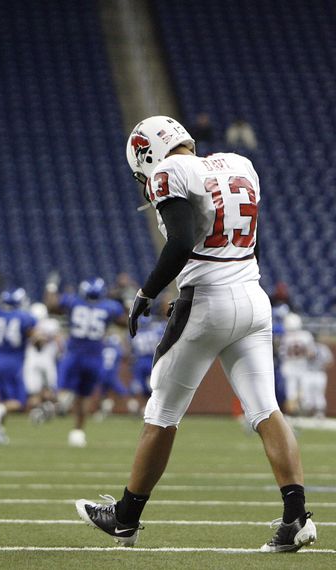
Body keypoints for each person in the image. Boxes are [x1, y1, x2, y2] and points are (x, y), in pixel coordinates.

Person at [76, 115, 316, 552]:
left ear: (148, 154)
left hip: (208, 302)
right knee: (266, 409)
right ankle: (296, 517)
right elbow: (247, 241)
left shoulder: (169, 172)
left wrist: (146, 293)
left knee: (162, 412)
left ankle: (125, 519)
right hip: (252, 295)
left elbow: (182, 240)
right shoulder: (238, 163)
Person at [57, 277, 125, 447]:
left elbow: (54, 305)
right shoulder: (109, 307)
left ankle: (61, 403)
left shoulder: (73, 302)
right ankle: (78, 431)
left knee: (64, 389)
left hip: (74, 354)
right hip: (94, 356)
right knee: (85, 395)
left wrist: (52, 288)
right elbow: (123, 321)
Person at [0, 288, 36, 444]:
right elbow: (34, 335)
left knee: (4, 400)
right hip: (14, 363)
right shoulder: (25, 317)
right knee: (19, 402)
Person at [23, 302, 63, 424]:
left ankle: (40, 412)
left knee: (35, 392)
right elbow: (59, 342)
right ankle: (46, 410)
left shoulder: (29, 323)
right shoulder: (51, 324)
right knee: (48, 390)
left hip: (34, 360)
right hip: (46, 360)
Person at [279, 312, 316, 416]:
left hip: (289, 366)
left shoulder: (285, 337)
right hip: (302, 366)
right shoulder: (306, 335)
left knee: (291, 391)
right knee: (304, 390)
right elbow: (311, 353)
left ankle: (292, 412)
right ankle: (302, 410)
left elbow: (282, 353)